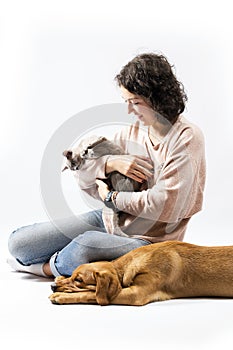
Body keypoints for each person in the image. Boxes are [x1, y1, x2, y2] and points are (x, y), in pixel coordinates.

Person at [7, 52, 206, 278]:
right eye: (126, 102)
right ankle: (61, 261)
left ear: (157, 99)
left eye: (135, 103)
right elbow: (85, 178)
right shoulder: (132, 132)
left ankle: (42, 268)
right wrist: (110, 163)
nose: (129, 110)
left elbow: (165, 204)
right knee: (20, 243)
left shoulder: (187, 138)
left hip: (149, 241)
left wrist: (111, 198)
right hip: (110, 219)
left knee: (84, 246)